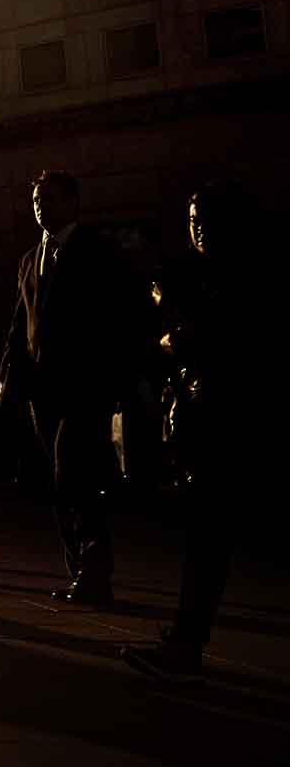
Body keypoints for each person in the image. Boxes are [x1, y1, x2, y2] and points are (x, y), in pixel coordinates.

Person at [123, 183, 257, 682]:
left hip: (231, 422)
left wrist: (178, 336)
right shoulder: (204, 276)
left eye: (205, 219)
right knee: (207, 537)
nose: (197, 228)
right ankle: (186, 638)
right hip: (209, 421)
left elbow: (220, 341)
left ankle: (186, 644)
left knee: (208, 537)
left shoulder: (241, 276)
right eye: (192, 219)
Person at [0, 170, 137, 607]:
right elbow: (21, 326)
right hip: (44, 390)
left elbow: (116, 315)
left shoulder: (97, 251)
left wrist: (116, 378)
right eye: (37, 200)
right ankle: (81, 571)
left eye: (50, 199)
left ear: (73, 203)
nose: (41, 207)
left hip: (85, 386)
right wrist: (9, 375)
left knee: (72, 472)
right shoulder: (28, 260)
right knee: (60, 482)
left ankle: (94, 568)